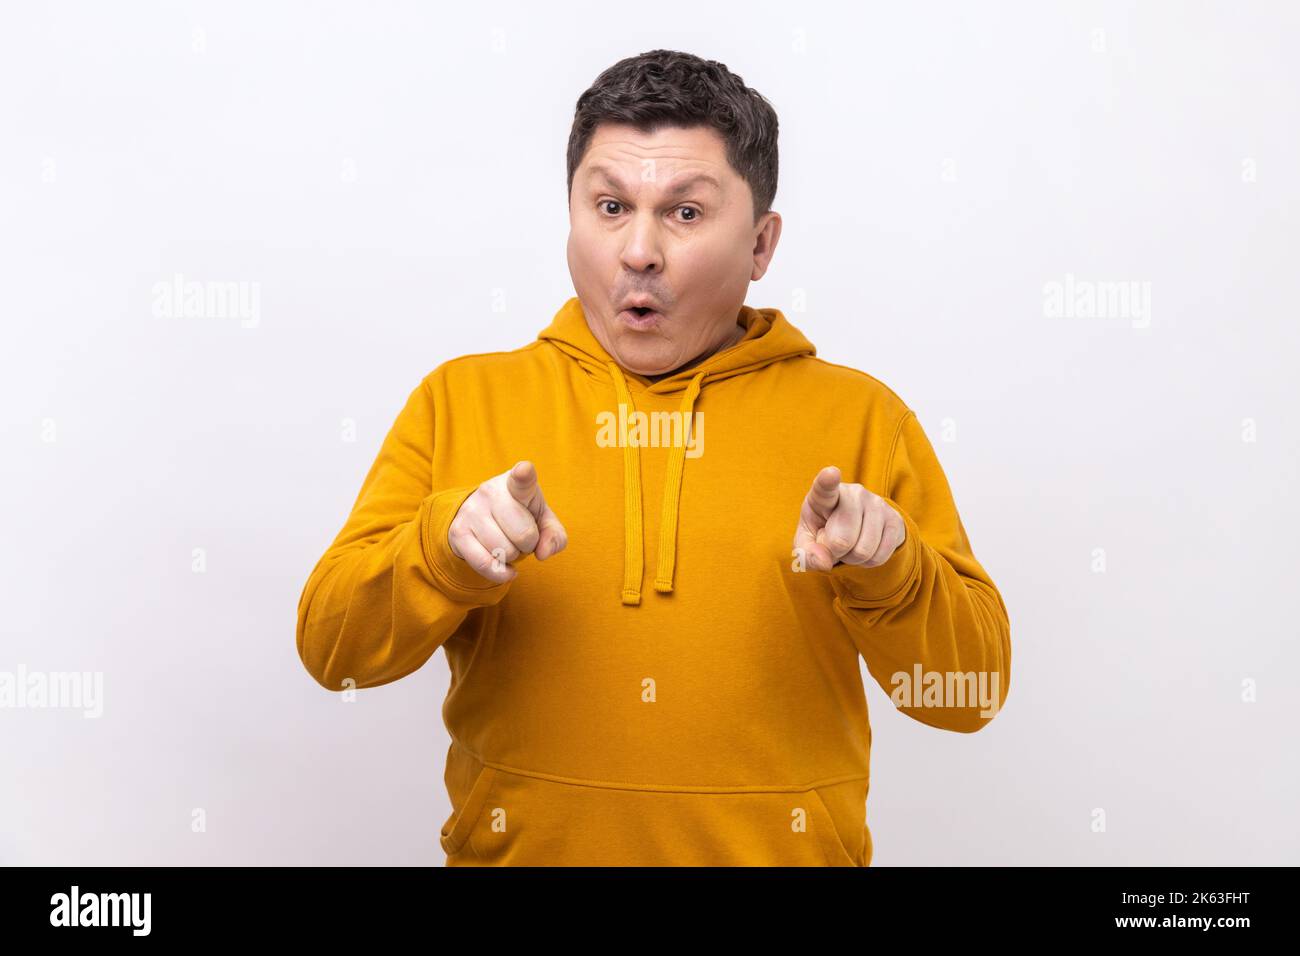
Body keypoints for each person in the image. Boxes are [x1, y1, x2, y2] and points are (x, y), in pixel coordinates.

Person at [296, 49, 1011, 866]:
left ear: (762, 244)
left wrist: (892, 572)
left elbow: (974, 696)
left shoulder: (863, 421)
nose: (638, 251)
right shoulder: (460, 401)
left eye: (684, 214)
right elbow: (333, 655)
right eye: (608, 206)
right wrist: (440, 549)